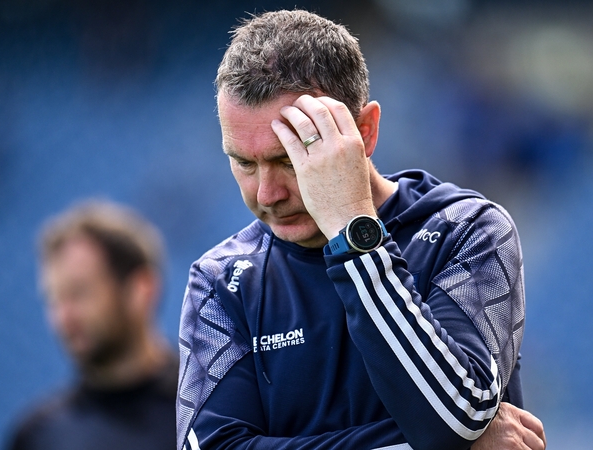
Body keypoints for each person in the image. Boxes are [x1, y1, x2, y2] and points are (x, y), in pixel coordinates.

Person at [177, 9, 546, 450]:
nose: (267, 193)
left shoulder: (467, 230)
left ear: (364, 132)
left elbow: (454, 415)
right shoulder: (222, 280)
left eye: (289, 158)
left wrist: (353, 230)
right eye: (243, 162)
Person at [6, 200, 178, 450]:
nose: (64, 316)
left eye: (79, 293)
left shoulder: (220, 409)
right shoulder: (40, 436)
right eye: (54, 299)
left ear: (140, 290)